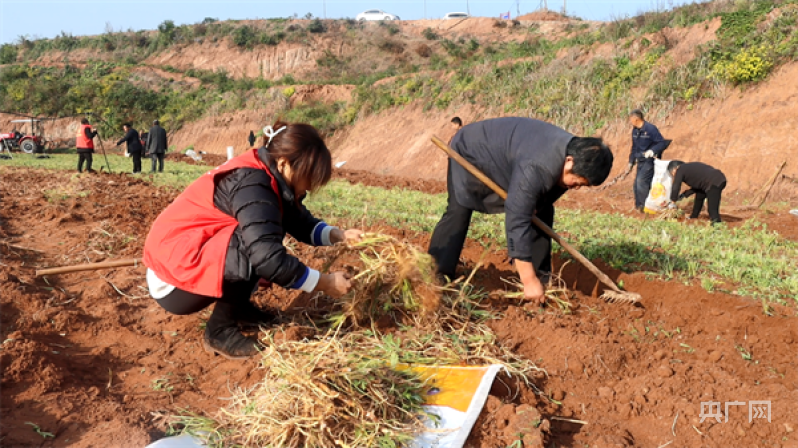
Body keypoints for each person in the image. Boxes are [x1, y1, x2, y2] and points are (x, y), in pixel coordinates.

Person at [143, 121, 363, 359]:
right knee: (258, 246)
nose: (309, 186)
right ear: (284, 163)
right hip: (172, 278)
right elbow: (268, 259)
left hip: (184, 258)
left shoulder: (269, 174)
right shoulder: (253, 183)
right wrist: (325, 282)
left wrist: (338, 235)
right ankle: (219, 332)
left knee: (260, 234)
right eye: (308, 177)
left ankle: (238, 310)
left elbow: (298, 221)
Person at [428, 117, 614, 303]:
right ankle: (437, 274)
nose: (576, 187)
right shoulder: (538, 166)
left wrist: (533, 204)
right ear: (569, 161)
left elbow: (536, 201)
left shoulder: (574, 153)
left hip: (511, 156)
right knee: (459, 209)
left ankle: (542, 278)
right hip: (471, 149)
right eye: (578, 181)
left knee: (542, 211)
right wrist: (528, 280)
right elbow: (517, 217)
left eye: (583, 185)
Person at [627, 109, 670, 212]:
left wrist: (652, 150)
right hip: (640, 160)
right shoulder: (635, 130)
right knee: (636, 185)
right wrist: (631, 161)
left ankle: (646, 207)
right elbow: (634, 147)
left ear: (636, 119)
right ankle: (639, 207)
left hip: (650, 160)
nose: (630, 122)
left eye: (631, 119)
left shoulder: (650, 129)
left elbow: (662, 143)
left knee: (641, 181)